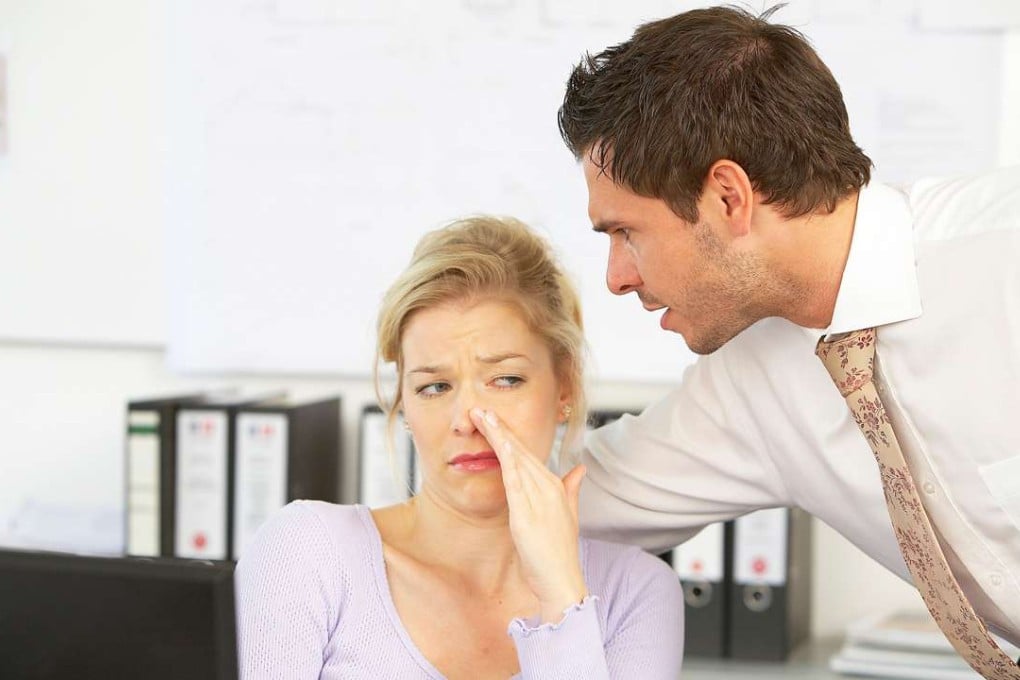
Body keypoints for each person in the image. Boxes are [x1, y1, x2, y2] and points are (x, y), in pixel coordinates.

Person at [556, 2, 1020, 669]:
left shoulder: (1005, 262)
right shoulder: (752, 381)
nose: (616, 278)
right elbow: (568, 500)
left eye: (626, 232)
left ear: (727, 198)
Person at [235, 216, 684, 679]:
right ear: (404, 404)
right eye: (434, 387)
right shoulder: (308, 552)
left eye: (506, 379)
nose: (468, 420)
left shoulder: (636, 594)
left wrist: (560, 599)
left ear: (564, 387)